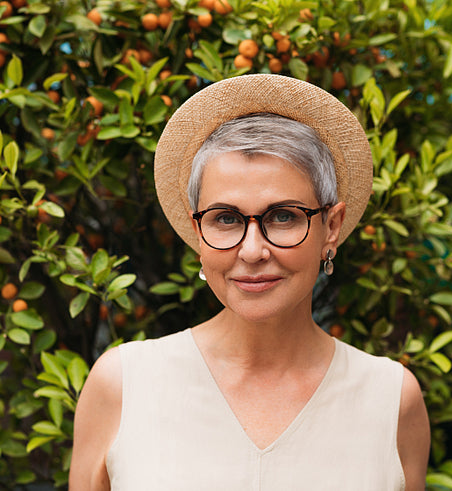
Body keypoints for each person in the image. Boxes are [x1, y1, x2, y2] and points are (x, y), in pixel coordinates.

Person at [69, 74, 430, 490]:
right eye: (226, 219)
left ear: (331, 227)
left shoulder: (390, 398)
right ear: (196, 231)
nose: (253, 251)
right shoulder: (122, 385)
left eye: (283, 216)